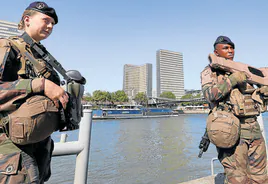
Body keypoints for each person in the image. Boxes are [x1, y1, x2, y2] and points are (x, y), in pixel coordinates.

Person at [0, 1, 70, 183]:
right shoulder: (8, 47)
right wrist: (38, 84)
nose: (50, 26)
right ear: (27, 20)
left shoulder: (38, 56)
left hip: (37, 145)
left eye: (52, 24)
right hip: (11, 148)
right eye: (46, 20)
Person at [201, 36, 268, 183]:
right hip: (231, 129)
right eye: (225, 48)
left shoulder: (245, 71)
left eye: (232, 47)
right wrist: (232, 80)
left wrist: (264, 92)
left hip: (253, 128)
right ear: (216, 52)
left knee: (261, 177)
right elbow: (210, 95)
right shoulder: (210, 72)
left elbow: (257, 99)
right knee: (237, 178)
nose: (230, 50)